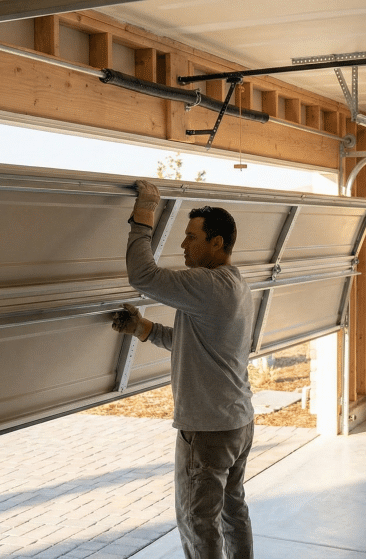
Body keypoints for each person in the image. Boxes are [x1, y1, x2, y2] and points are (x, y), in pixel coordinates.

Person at [111, 179, 256, 559]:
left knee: (198, 522)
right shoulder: (236, 283)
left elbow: (142, 276)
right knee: (232, 512)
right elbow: (197, 343)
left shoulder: (206, 284)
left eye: (191, 237)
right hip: (237, 421)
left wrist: (144, 212)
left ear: (217, 243)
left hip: (208, 430)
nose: (182, 245)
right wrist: (145, 330)